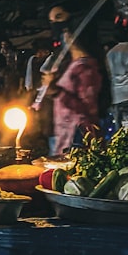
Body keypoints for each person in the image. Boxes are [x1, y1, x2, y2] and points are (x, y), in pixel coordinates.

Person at [42, 16, 104, 157]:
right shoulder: (71, 64)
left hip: (76, 138)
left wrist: (56, 91)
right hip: (62, 133)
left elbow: (87, 108)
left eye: (67, 32)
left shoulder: (86, 68)